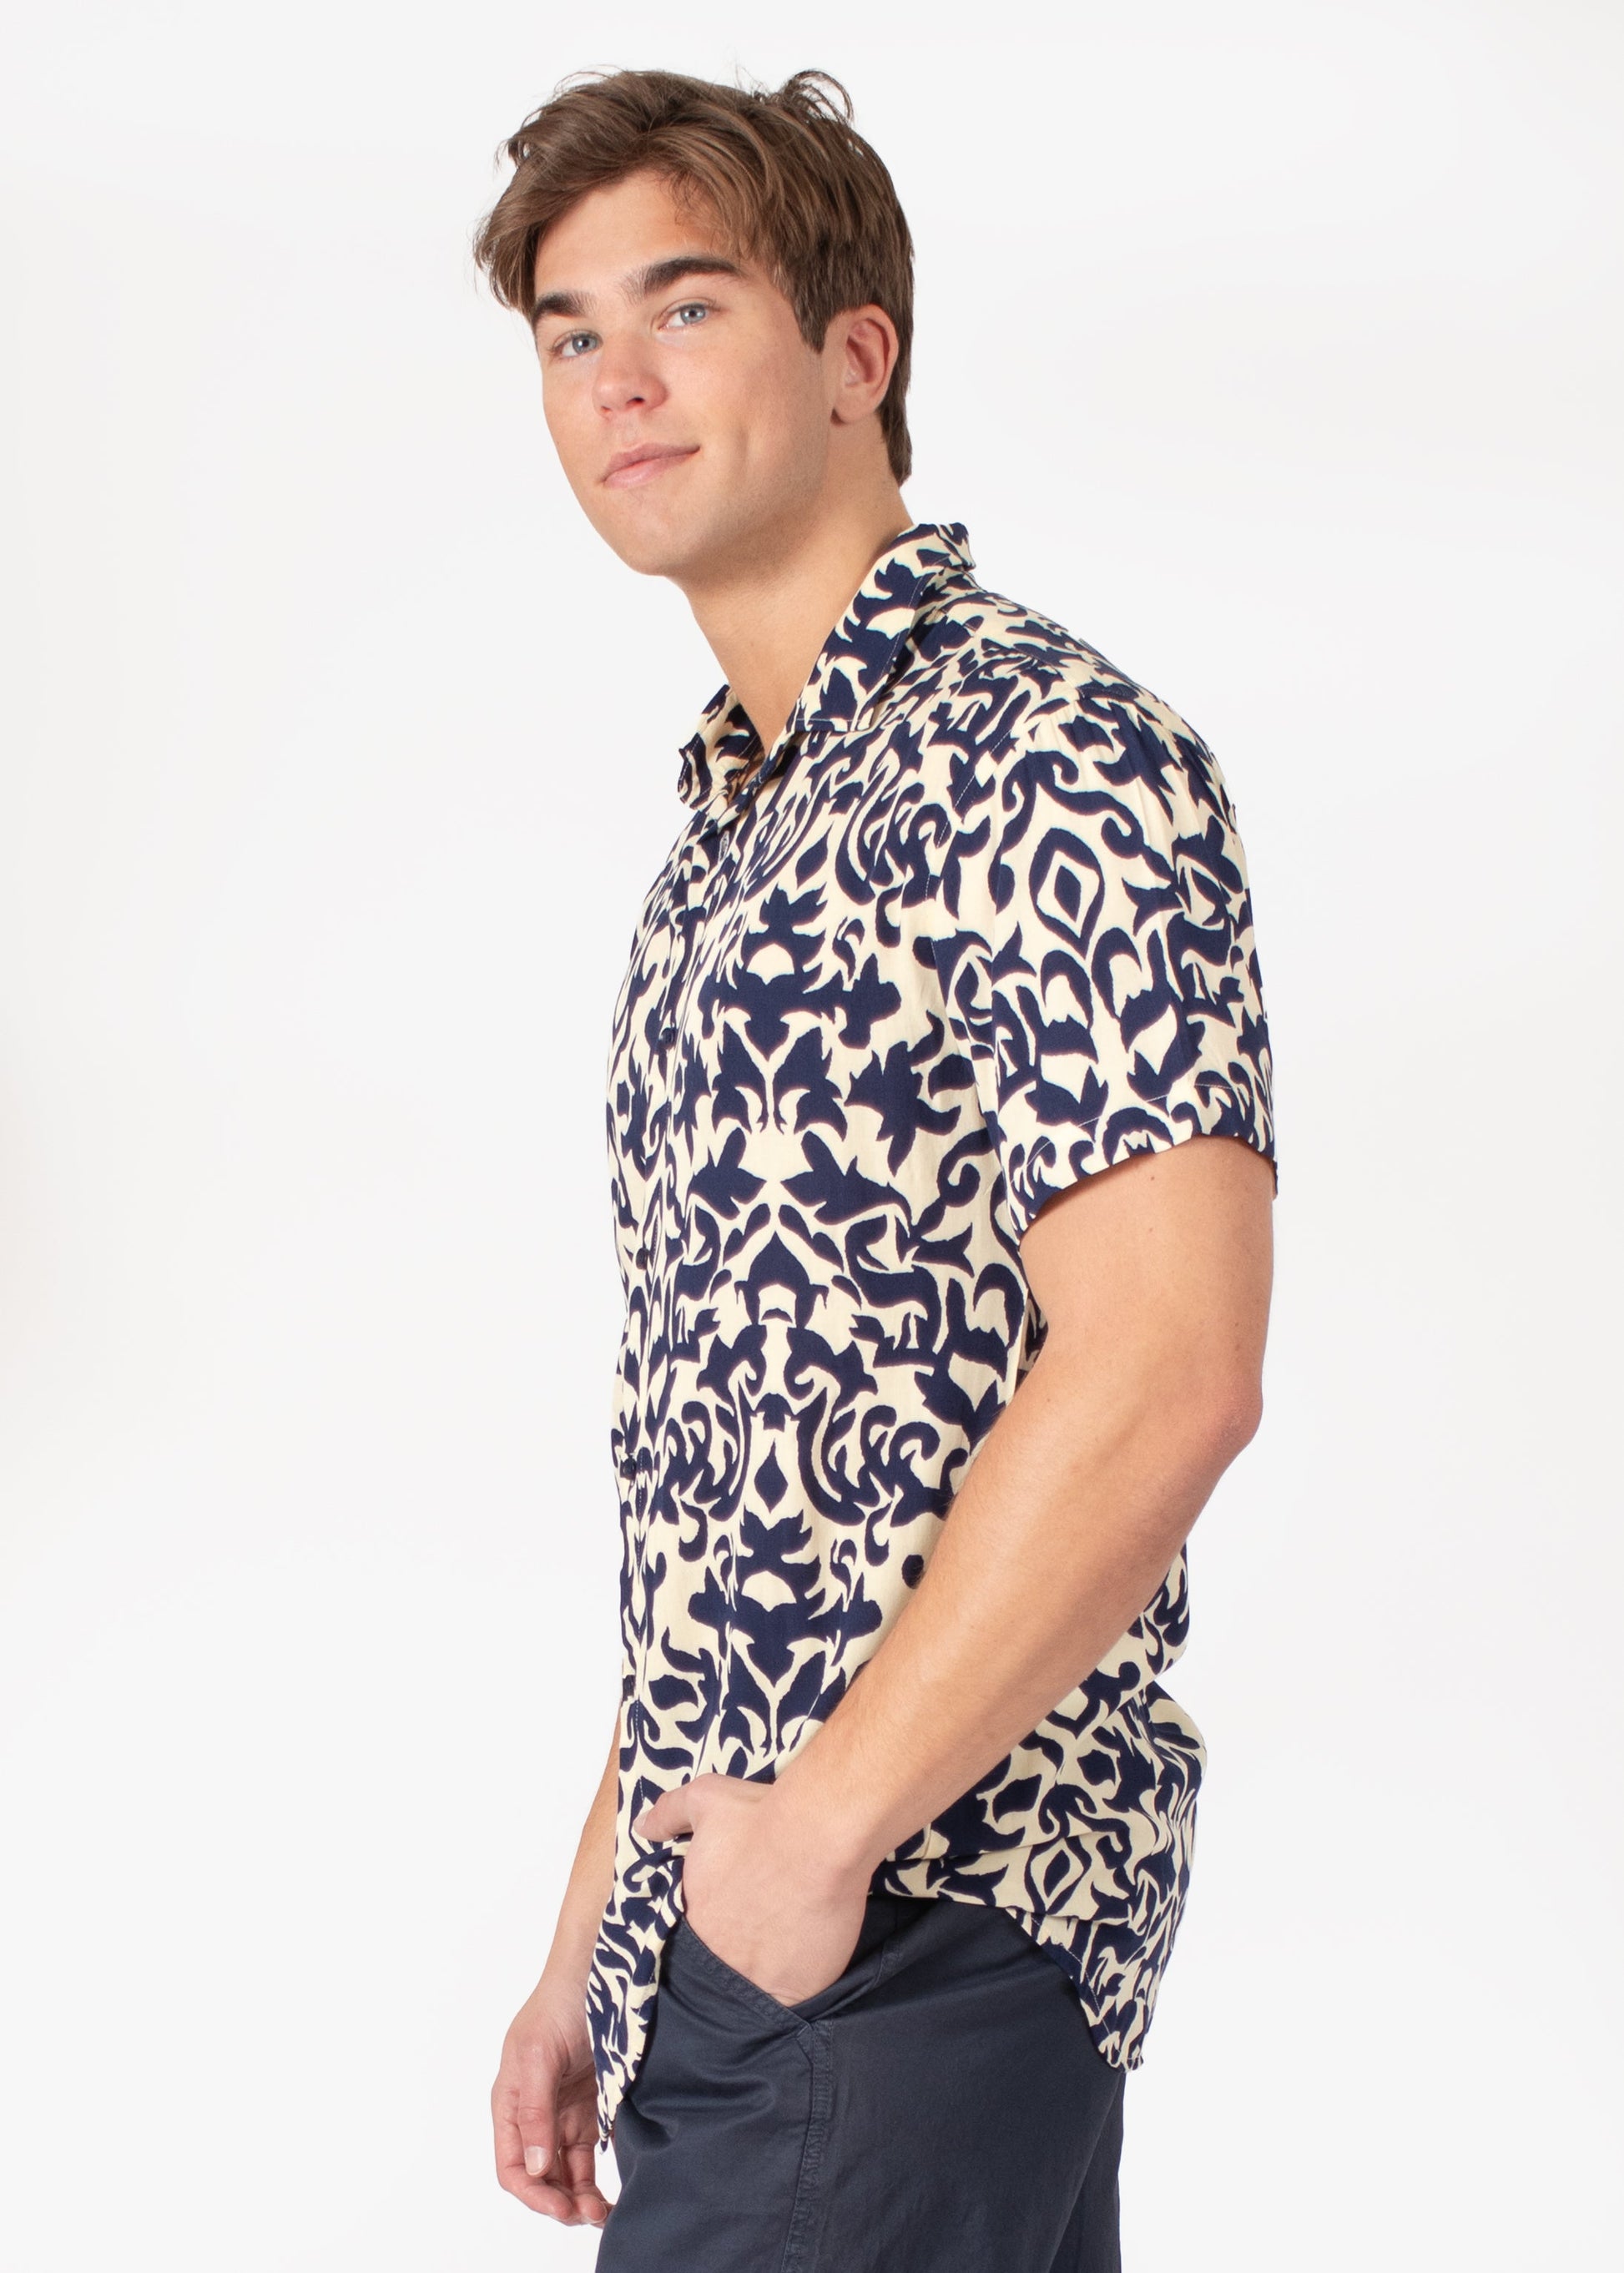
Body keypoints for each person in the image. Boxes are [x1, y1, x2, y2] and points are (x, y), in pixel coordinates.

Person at [472, 65, 1276, 2272]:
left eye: (685, 306)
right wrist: (596, 1936)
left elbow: (1170, 1363)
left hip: (916, 1919)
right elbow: (735, 1484)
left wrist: (820, 1838)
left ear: (855, 355)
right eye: (568, 332)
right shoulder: (729, 844)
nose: (617, 379)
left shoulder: (1041, 754)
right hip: (755, 1942)